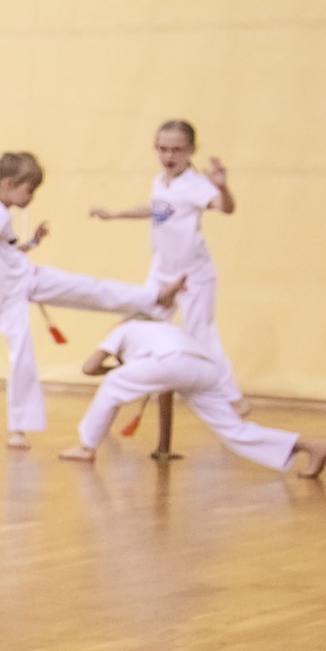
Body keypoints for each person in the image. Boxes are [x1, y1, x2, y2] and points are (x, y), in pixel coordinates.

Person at [0, 151, 174, 446]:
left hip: (24, 279)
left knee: (88, 290)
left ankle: (154, 297)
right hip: (11, 293)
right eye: (29, 190)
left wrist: (33, 242)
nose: (32, 197)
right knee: (26, 349)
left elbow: (2, 254)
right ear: (8, 183)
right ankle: (17, 427)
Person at [90, 118, 244, 455]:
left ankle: (232, 400)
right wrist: (115, 214)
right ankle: (126, 394)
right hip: (162, 273)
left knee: (200, 334)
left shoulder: (196, 185)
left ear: (191, 151)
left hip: (193, 275)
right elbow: (155, 210)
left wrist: (222, 188)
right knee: (139, 326)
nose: (168, 156)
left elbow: (225, 208)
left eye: (176, 150)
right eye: (162, 149)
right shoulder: (160, 181)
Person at [61, 318, 326, 477]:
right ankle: (311, 446)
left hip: (169, 362)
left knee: (113, 383)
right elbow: (166, 394)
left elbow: (89, 368)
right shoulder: (165, 331)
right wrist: (163, 448)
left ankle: (86, 448)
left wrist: (116, 368)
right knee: (234, 431)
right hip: (205, 367)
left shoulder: (124, 328)